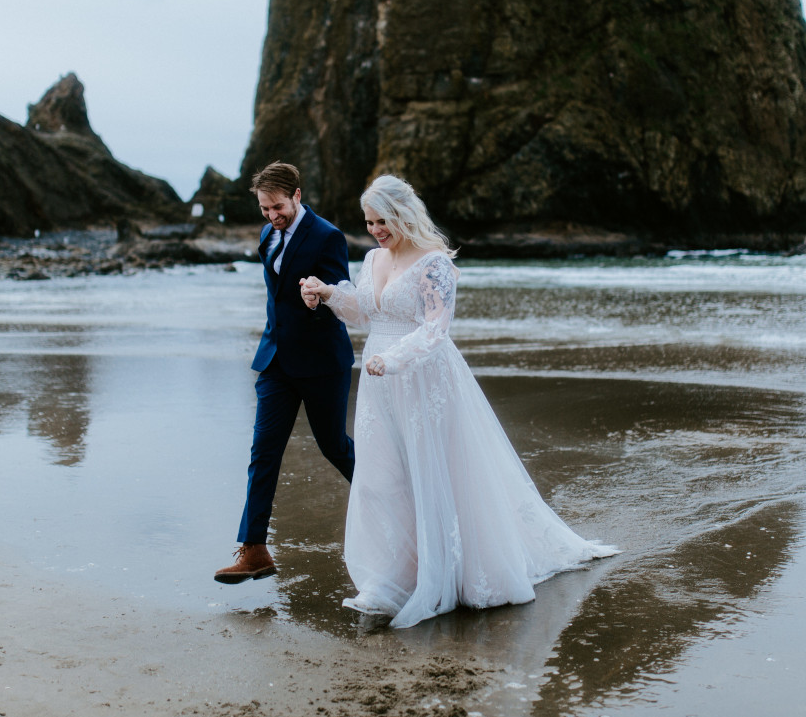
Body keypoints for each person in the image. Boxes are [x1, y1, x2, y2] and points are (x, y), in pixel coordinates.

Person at [300, 175, 617, 627]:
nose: (375, 230)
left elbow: (435, 329)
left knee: (436, 473)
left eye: (382, 221)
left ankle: (453, 570)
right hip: (378, 382)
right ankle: (390, 578)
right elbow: (365, 311)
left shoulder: (435, 264)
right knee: (382, 478)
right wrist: (328, 294)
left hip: (422, 378)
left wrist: (393, 358)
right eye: (369, 223)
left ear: (402, 214)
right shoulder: (372, 258)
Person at [214, 162, 356, 584]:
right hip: (275, 360)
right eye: (264, 209)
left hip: (321, 362)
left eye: (277, 207)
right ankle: (254, 548)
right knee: (263, 452)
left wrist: (320, 299)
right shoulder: (266, 234)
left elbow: (344, 295)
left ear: (297, 195)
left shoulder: (328, 236)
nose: (272, 216)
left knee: (334, 447)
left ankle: (396, 508)